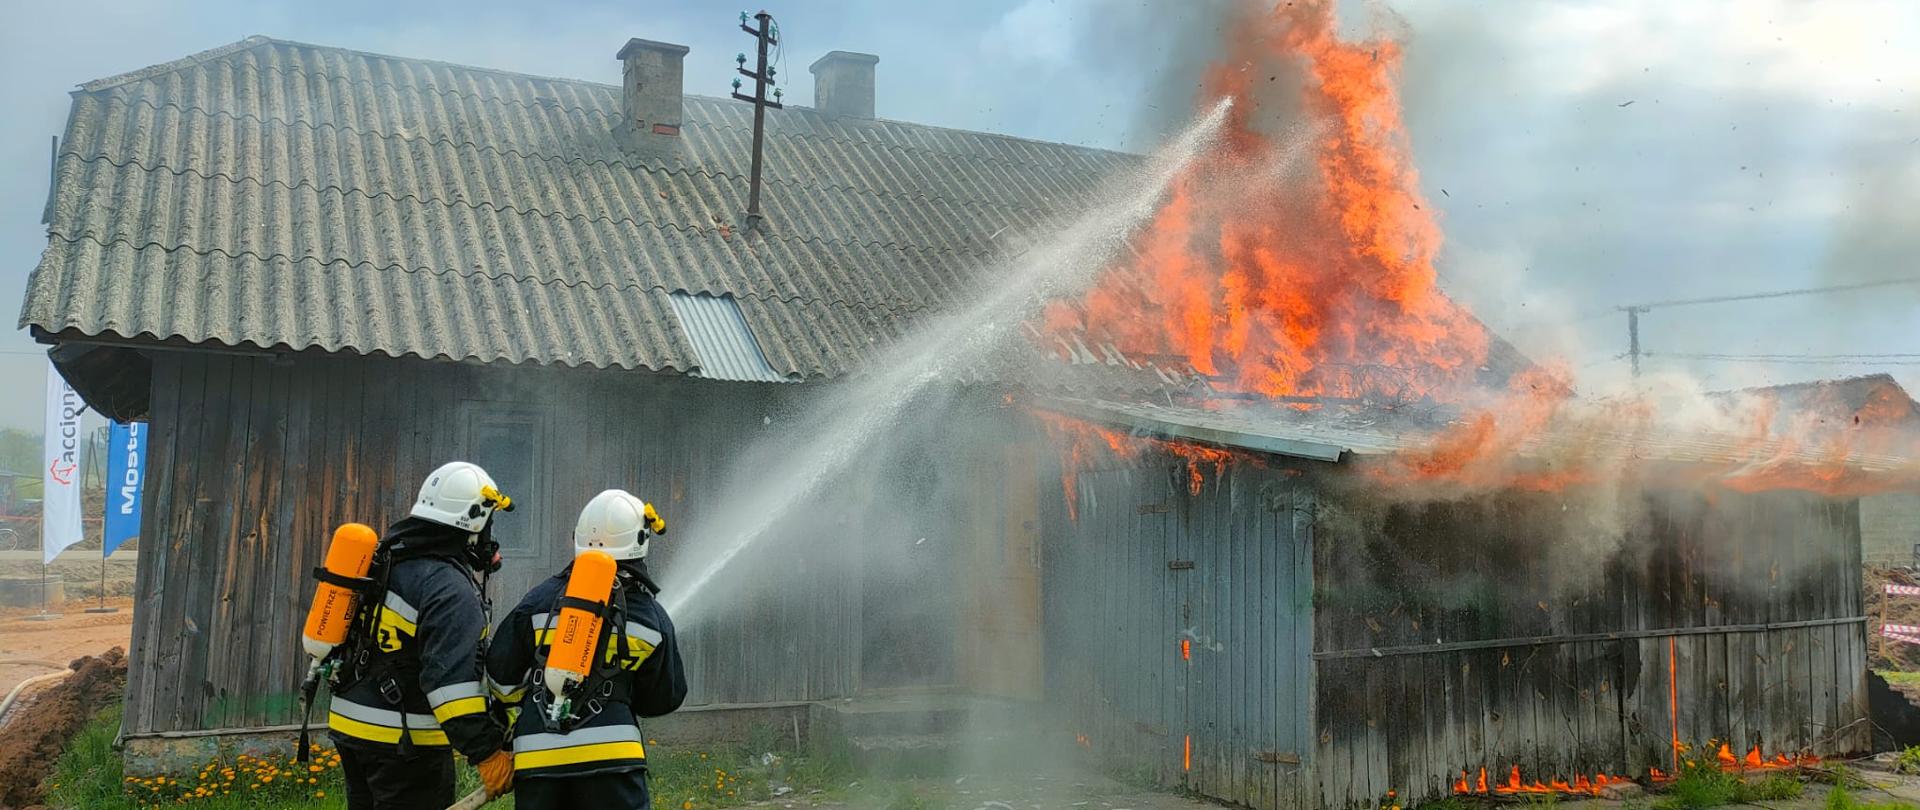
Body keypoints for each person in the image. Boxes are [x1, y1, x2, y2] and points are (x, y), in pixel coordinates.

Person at [327, 461, 517, 809]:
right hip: (404, 742)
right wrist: (487, 752)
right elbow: (450, 689)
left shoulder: (388, 560)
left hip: (352, 727)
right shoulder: (448, 588)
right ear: (473, 522)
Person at [487, 489, 687, 810]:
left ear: (577, 538)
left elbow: (500, 675)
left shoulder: (537, 603)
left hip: (537, 758)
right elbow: (665, 697)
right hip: (613, 760)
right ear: (640, 539)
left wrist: (522, 714)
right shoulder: (650, 616)